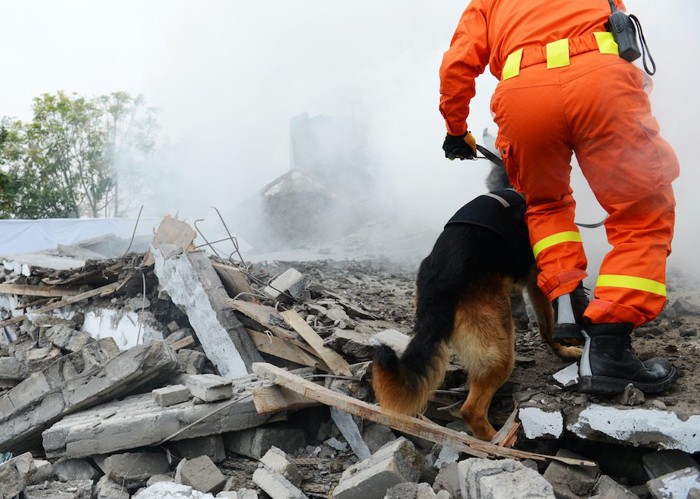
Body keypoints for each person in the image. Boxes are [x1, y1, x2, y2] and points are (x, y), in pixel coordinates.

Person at [439, 0, 680, 394]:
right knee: (642, 213)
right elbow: (618, 29)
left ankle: (567, 302)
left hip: (523, 96)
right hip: (600, 85)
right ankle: (609, 348)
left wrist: (455, 128)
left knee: (545, 205)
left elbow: (458, 64)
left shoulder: (487, 3)